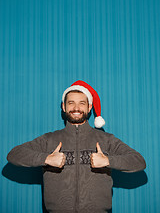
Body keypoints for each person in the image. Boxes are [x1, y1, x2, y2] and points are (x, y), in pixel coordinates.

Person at [7, 80, 146, 213]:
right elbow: (14, 154)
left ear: (89, 107)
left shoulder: (106, 140)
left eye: (82, 103)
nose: (76, 108)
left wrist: (108, 161)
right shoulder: (49, 139)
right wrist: (46, 158)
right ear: (63, 106)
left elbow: (139, 162)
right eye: (71, 103)